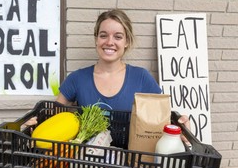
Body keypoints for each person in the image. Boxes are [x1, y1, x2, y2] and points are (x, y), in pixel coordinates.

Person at [25, 9, 190, 128]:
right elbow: (53, 118)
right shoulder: (77, 79)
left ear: (126, 42)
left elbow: (163, 120)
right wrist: (33, 124)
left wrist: (181, 127)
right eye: (103, 35)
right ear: (96, 39)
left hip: (129, 166)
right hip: (86, 163)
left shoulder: (141, 78)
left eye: (118, 36)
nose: (109, 42)